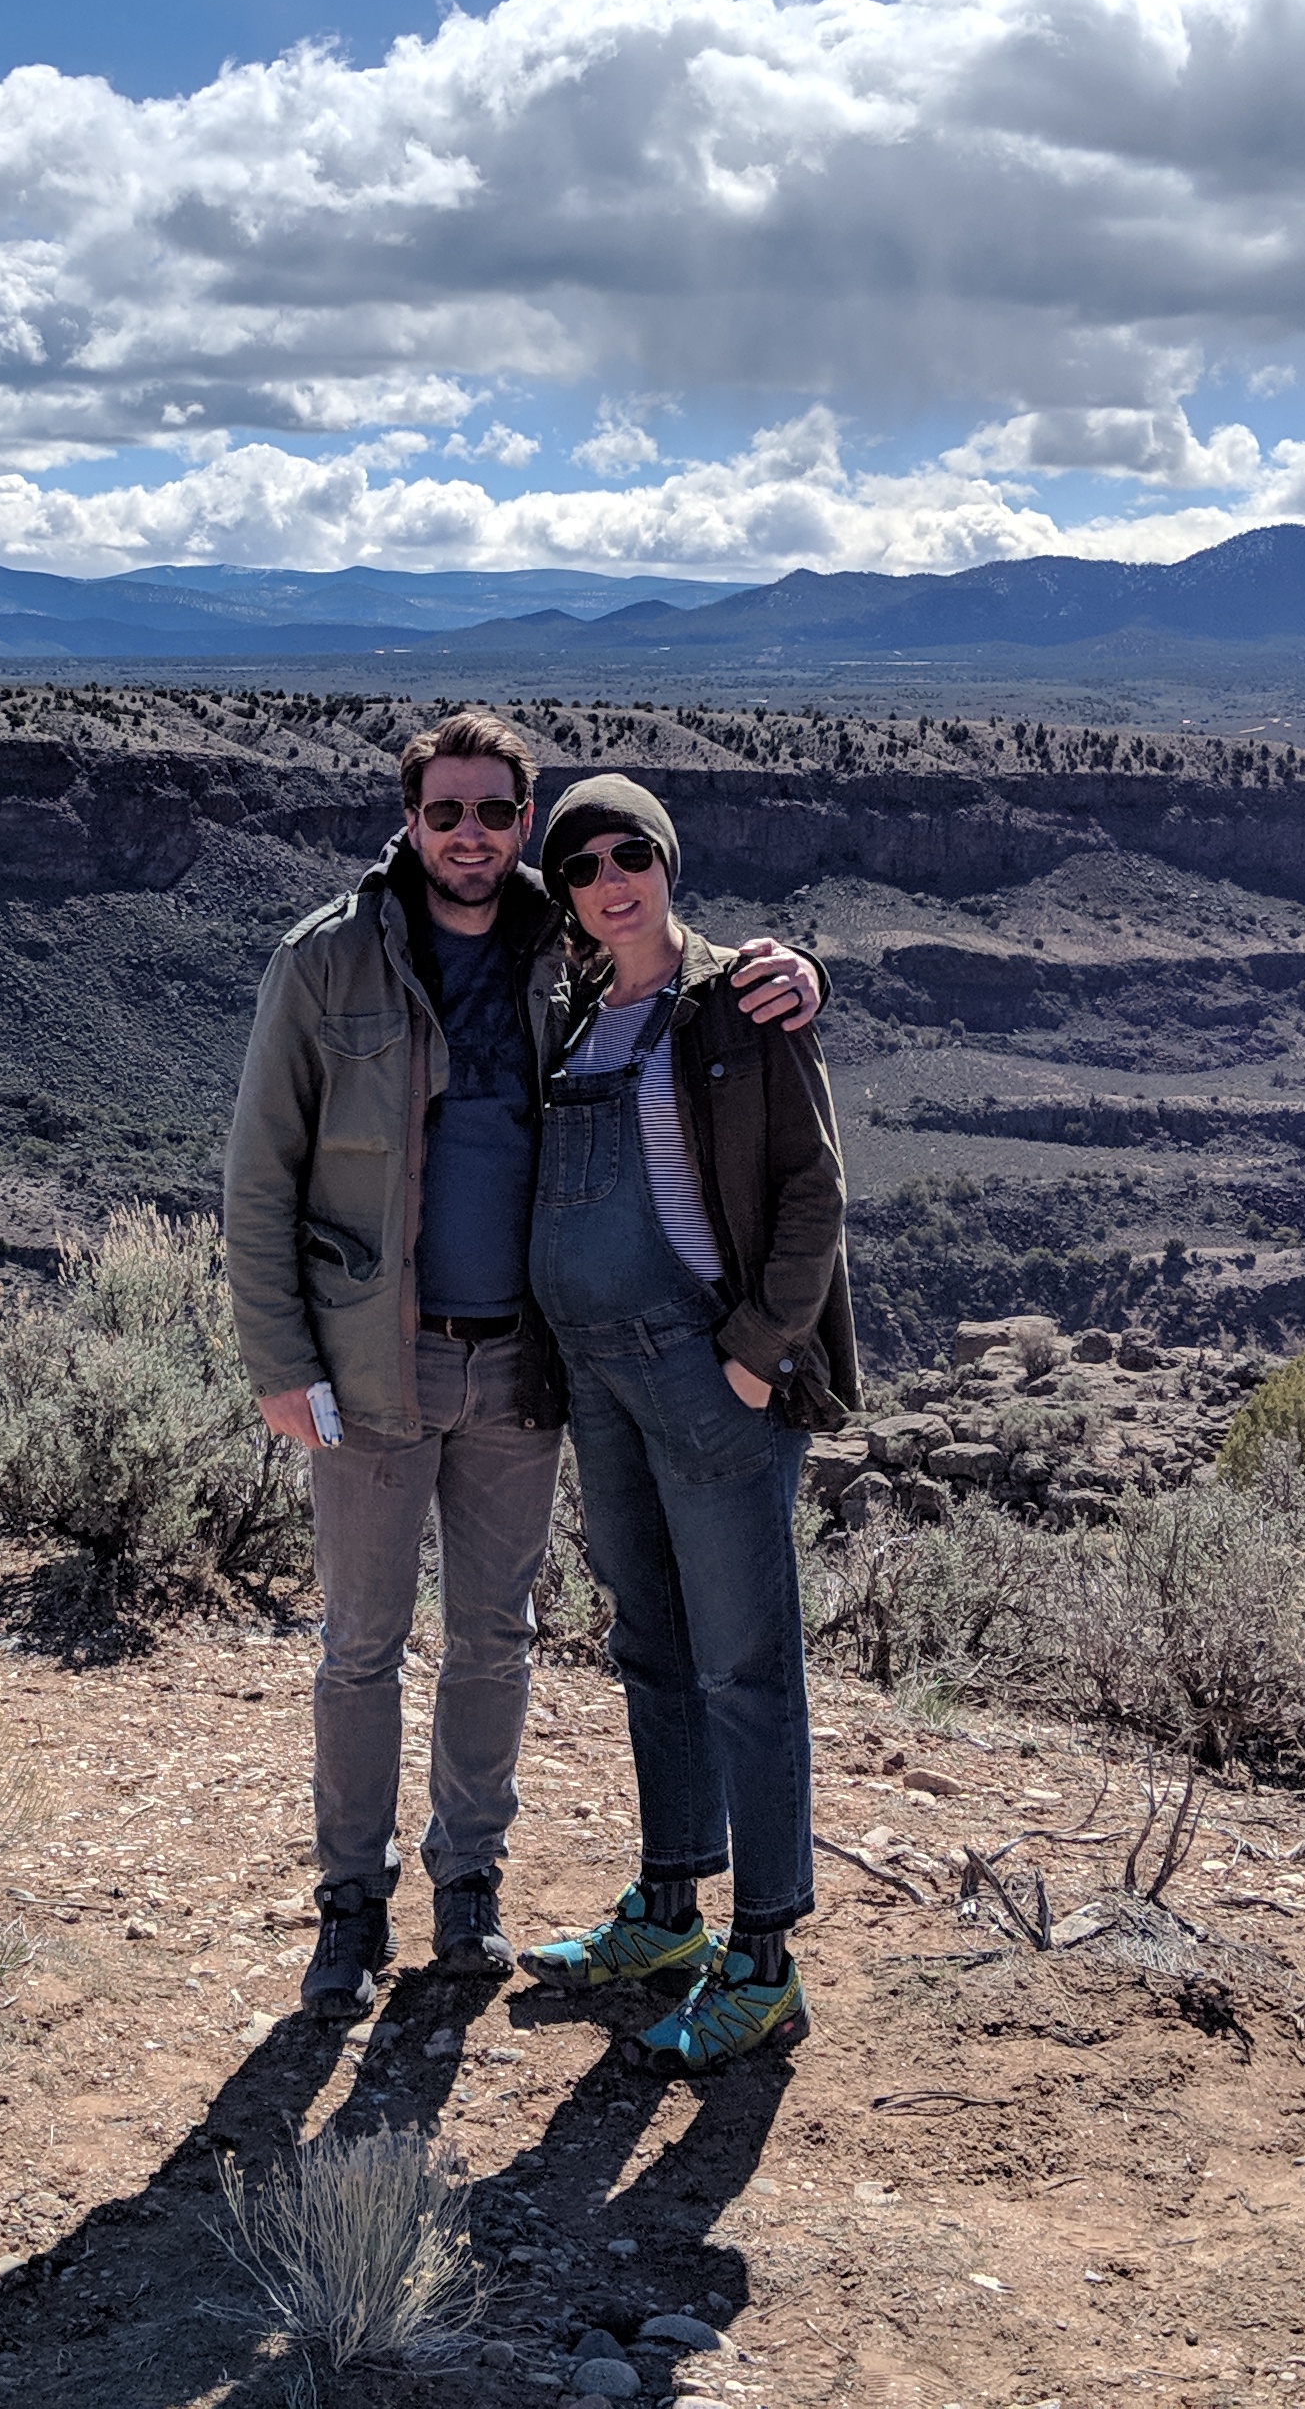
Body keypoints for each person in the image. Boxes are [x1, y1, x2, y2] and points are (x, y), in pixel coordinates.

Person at [222, 712, 820, 2018]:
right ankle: (350, 1905)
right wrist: (279, 1358)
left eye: (497, 813)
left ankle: (470, 1893)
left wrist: (786, 972)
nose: (472, 836)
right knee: (361, 1648)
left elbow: (675, 962)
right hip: (375, 1364)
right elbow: (259, 1171)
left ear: (518, 820)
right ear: (411, 818)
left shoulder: (563, 944)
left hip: (530, 1373)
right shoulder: (326, 962)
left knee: (494, 1642)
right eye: (447, 813)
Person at [511, 772, 858, 2075]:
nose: (613, 880)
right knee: (651, 1646)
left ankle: (763, 1959)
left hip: (705, 1375)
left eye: (632, 853)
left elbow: (814, 1188)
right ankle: (667, 1909)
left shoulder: (738, 1002)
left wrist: (763, 1358)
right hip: (600, 1379)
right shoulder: (581, 1012)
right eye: (586, 864)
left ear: (667, 862)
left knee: (745, 1666)